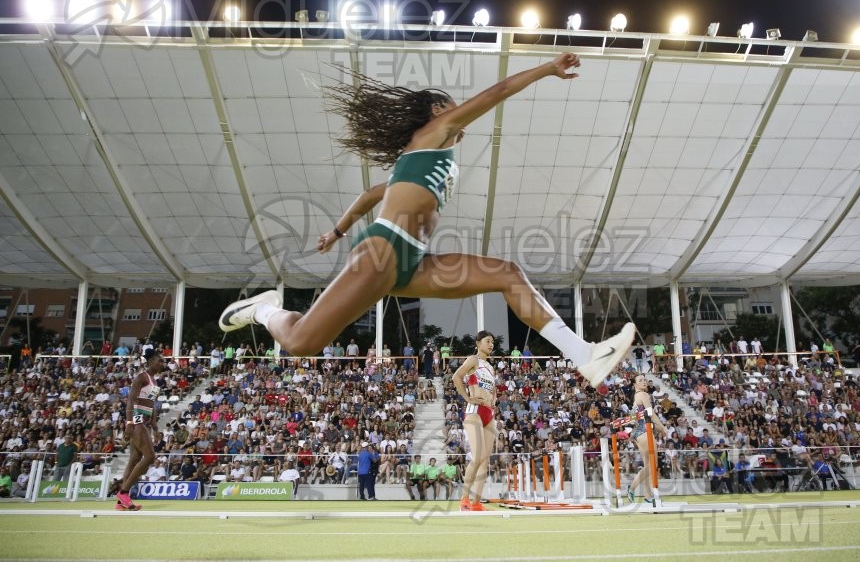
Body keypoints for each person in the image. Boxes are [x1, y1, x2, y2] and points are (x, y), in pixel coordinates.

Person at [218, 53, 636, 389]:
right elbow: (499, 91)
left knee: (508, 274)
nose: (460, 115)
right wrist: (547, 69)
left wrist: (338, 230)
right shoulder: (434, 132)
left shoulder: (429, 159)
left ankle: (584, 355)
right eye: (453, 107)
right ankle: (263, 310)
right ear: (437, 110)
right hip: (383, 252)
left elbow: (370, 195)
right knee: (302, 344)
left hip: (413, 262)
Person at [452, 331, 499, 511]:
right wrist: (467, 398)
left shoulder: (490, 367)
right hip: (475, 411)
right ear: (478, 343)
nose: (491, 344)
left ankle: (477, 503)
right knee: (478, 456)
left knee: (485, 460)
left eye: (493, 342)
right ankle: (464, 499)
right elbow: (456, 377)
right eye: (488, 341)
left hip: (489, 413)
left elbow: (493, 389)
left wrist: (494, 401)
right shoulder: (473, 360)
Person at [115, 349, 166, 511]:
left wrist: (156, 427)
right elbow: (130, 400)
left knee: (135, 458)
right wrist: (129, 422)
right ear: (150, 361)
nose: (162, 363)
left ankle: (120, 503)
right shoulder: (141, 377)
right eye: (159, 360)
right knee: (150, 457)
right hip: (137, 420)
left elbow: (151, 406)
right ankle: (123, 493)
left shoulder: (154, 382)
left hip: (144, 420)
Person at [626, 375, 667, 504]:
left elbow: (635, 417)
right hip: (644, 431)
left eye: (644, 380)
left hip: (638, 432)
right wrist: (662, 427)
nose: (644, 382)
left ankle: (648, 496)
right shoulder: (643, 395)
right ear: (635, 385)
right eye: (640, 380)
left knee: (648, 466)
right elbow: (651, 413)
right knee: (652, 465)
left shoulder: (636, 397)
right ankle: (632, 488)